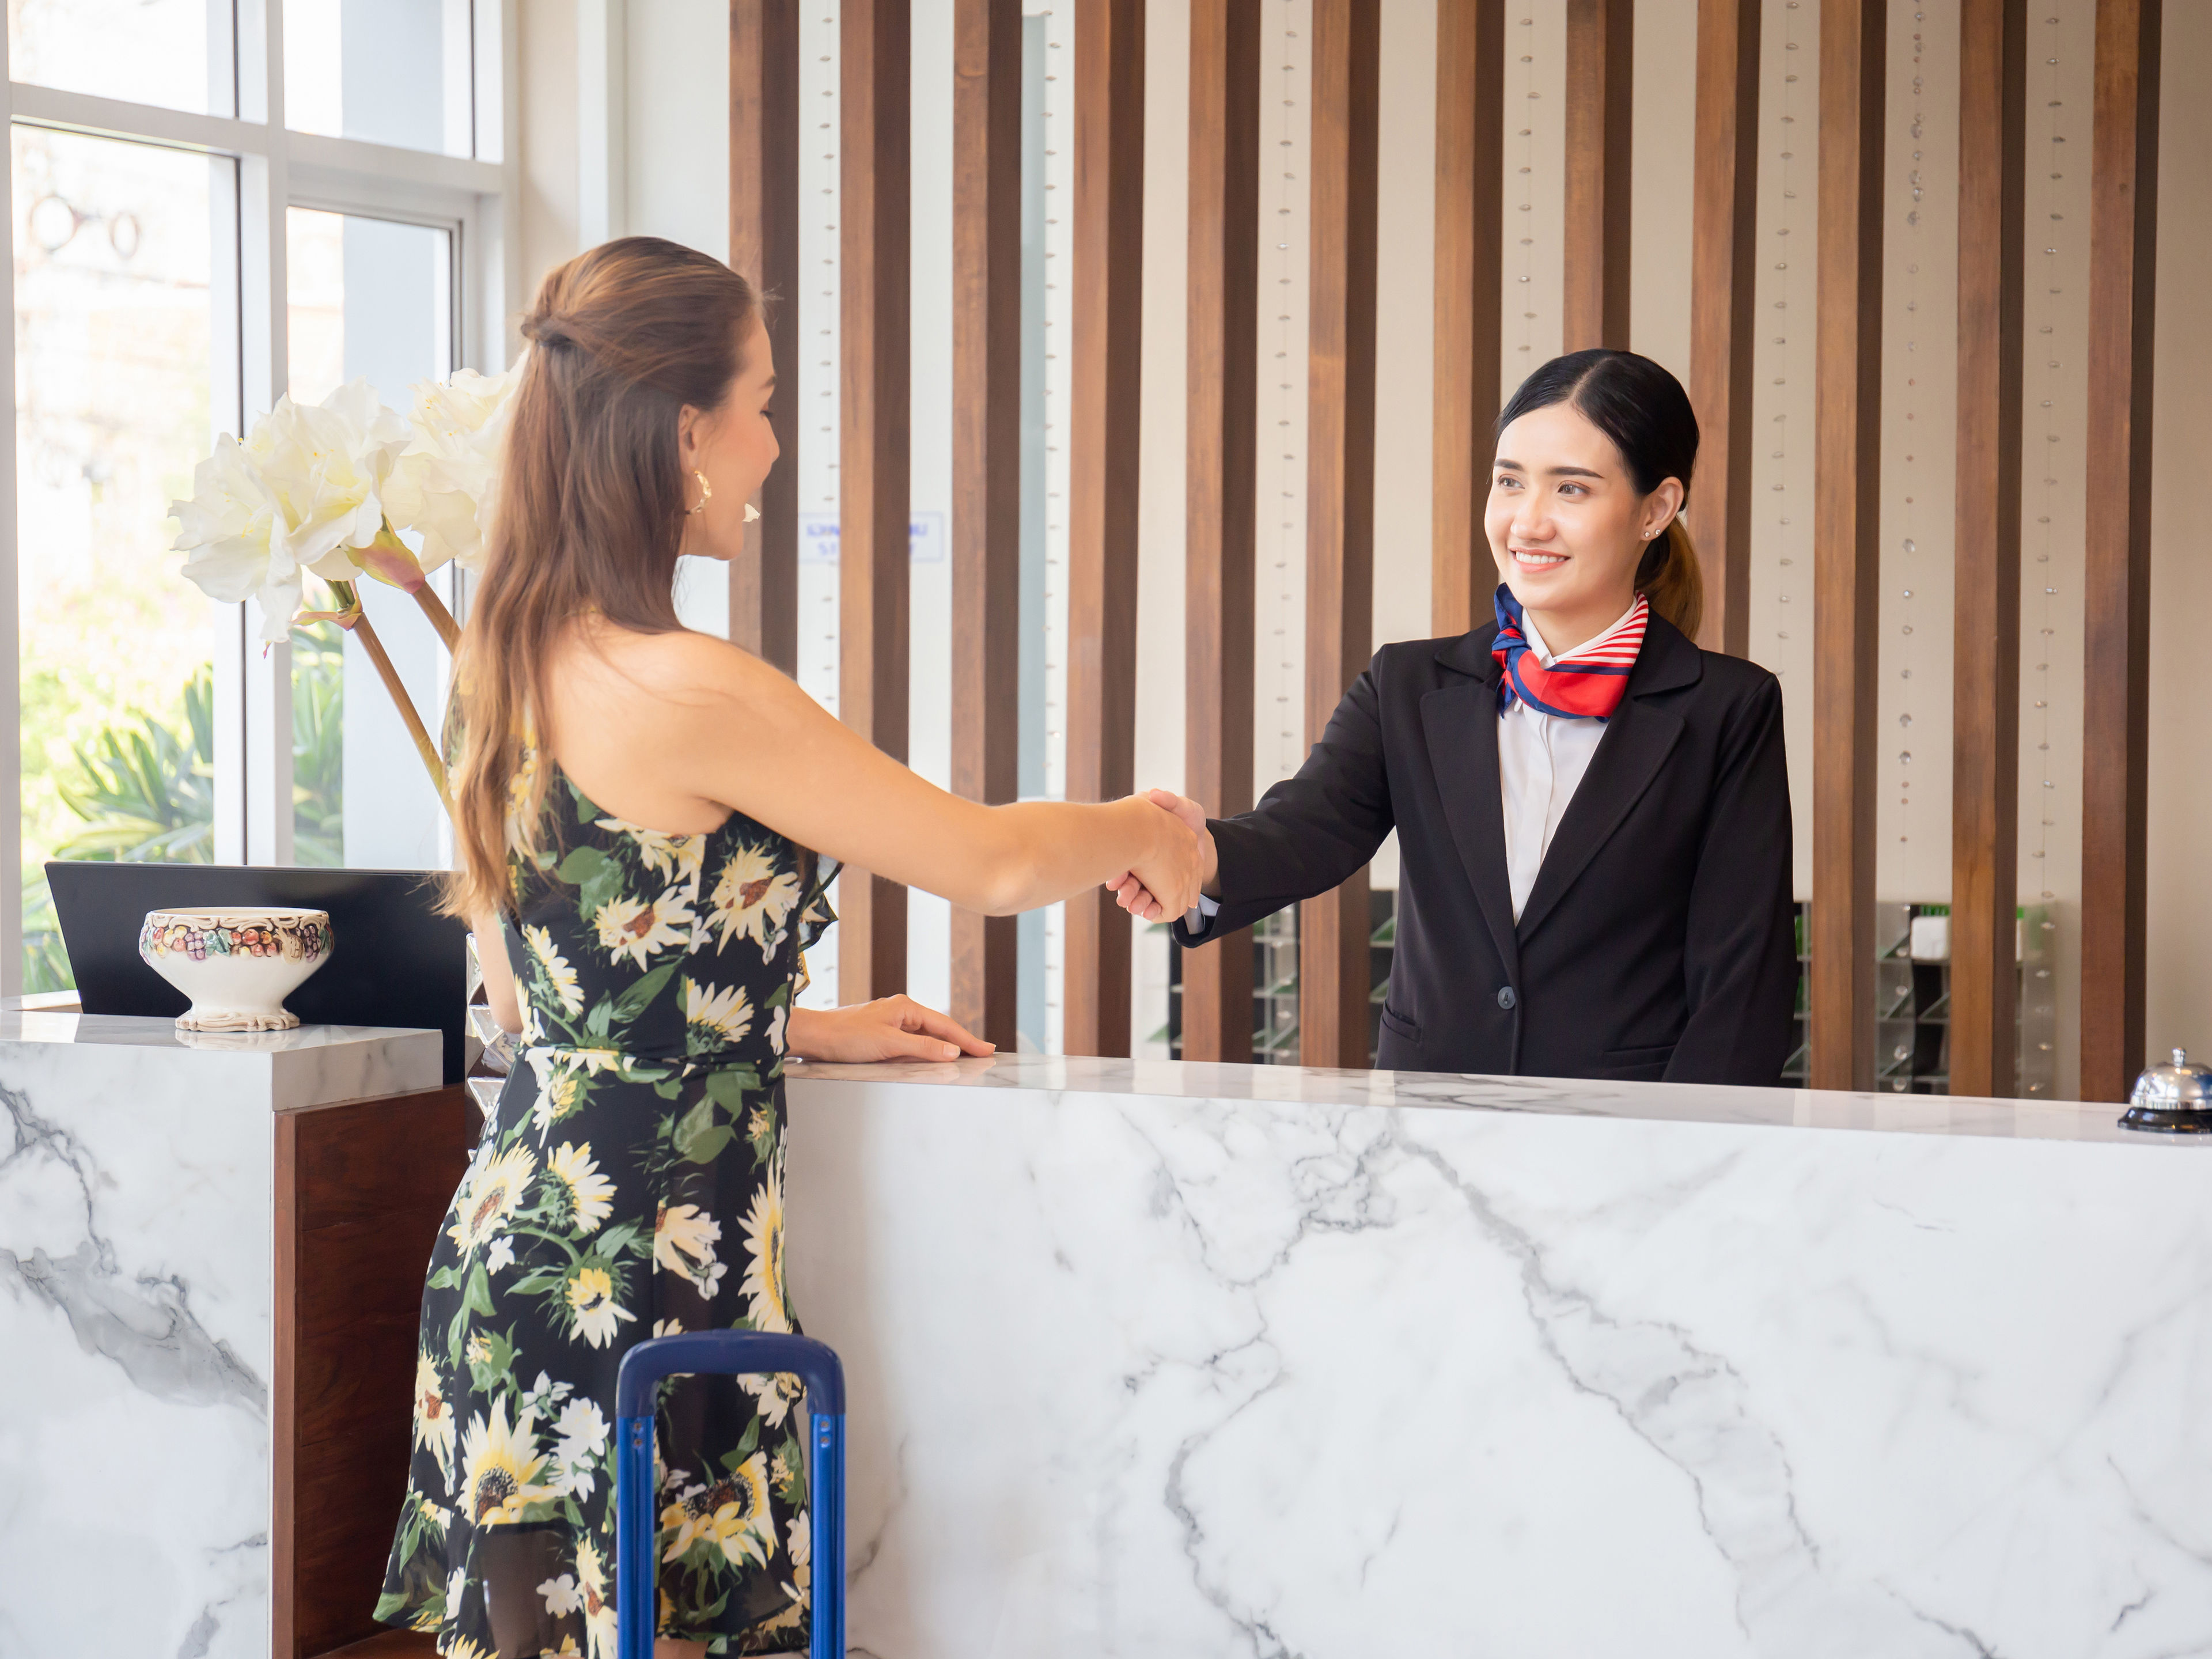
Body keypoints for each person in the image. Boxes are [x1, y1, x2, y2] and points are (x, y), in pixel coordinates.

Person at [376, 237, 1202, 1659]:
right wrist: (1150, 825)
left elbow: (543, 990)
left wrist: (785, 1023)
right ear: (686, 434)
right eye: (760, 405)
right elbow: (988, 857)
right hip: (639, 1281)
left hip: (519, 1262)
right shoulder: (688, 688)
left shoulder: (504, 651)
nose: (772, 446)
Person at [1114, 349, 1795, 1085]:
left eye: (1572, 489)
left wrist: (1687, 1166)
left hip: (1626, 1146)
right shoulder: (1409, 684)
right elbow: (1305, 832)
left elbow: (1742, 985)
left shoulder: (1729, 710)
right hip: (1433, 1135)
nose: (1527, 522)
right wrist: (1195, 856)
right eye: (1509, 482)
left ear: (1656, 509)